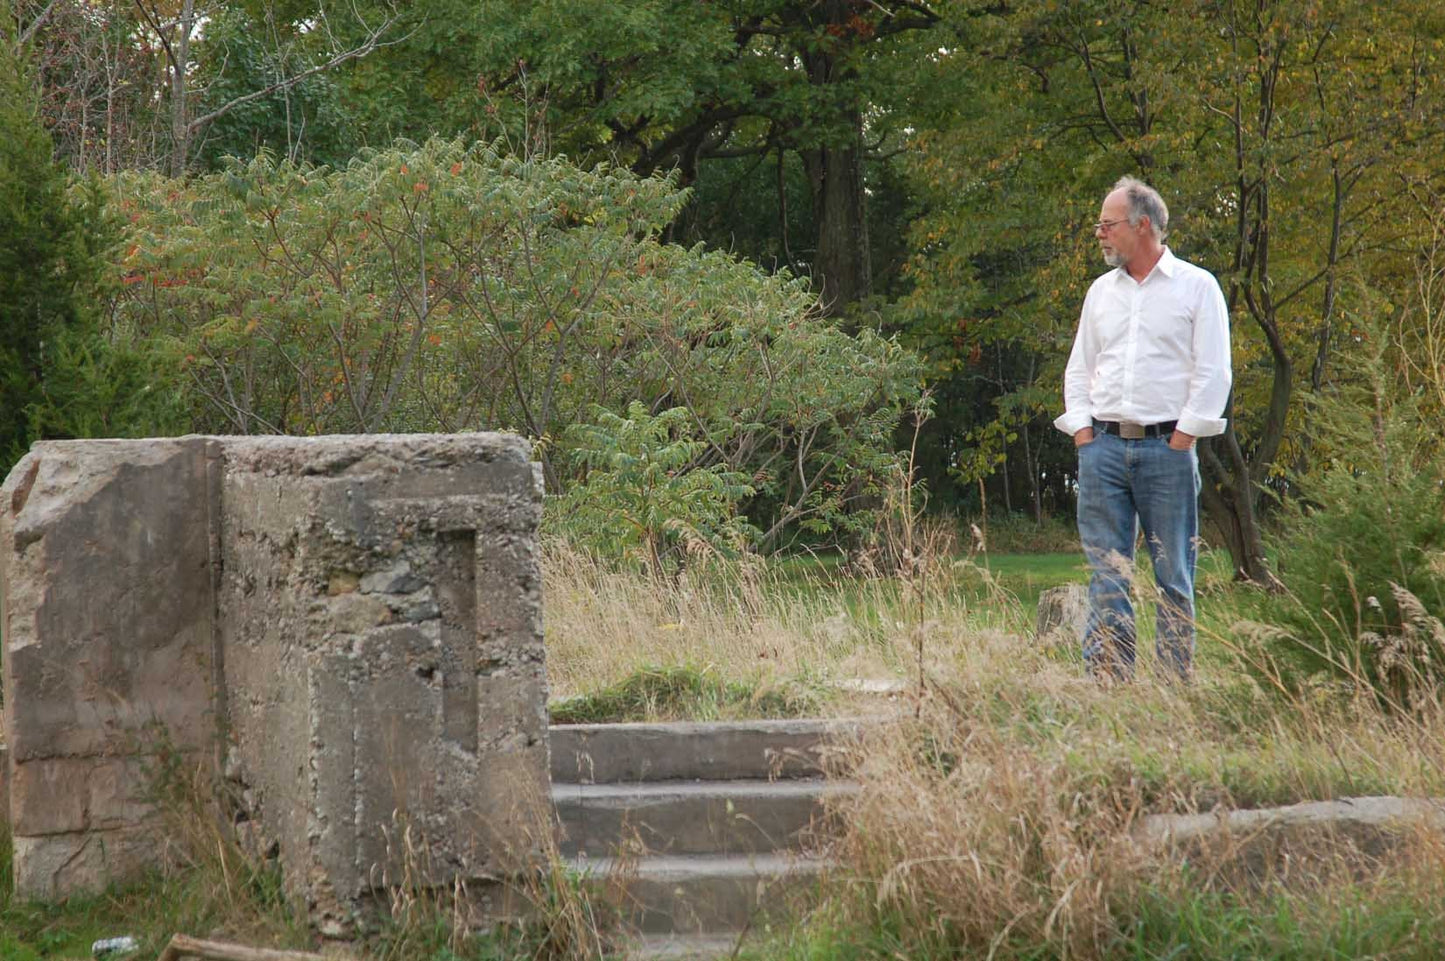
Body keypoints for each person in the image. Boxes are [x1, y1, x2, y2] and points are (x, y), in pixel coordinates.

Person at [1054, 176, 1232, 680]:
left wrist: (1183, 440)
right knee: (1107, 573)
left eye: (1107, 225)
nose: (1100, 234)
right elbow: (1078, 369)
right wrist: (1084, 437)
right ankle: (1109, 678)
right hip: (1103, 450)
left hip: (1167, 451)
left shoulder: (1198, 288)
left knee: (1173, 574)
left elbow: (1213, 372)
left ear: (1143, 225)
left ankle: (1174, 685)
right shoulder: (1099, 293)